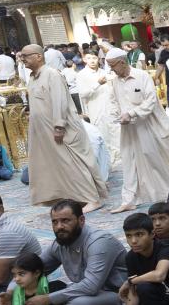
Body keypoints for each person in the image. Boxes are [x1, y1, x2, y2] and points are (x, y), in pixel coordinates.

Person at [24, 199, 128, 305]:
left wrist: (48, 299)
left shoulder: (99, 242)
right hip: (86, 292)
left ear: (81, 220)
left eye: (65, 221)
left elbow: (91, 286)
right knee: (34, 292)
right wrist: (12, 291)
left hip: (117, 294)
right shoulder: (61, 243)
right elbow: (32, 269)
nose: (59, 227)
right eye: (55, 222)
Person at [19, 45, 106, 208]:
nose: (22, 59)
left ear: (38, 56)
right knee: (56, 166)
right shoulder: (33, 78)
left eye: (26, 56)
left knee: (73, 164)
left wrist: (59, 126)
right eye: (21, 56)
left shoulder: (52, 74)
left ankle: (92, 199)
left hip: (61, 130)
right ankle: (68, 197)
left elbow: (60, 101)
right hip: (45, 132)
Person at [102, 50, 169, 211]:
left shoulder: (142, 76)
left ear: (122, 62)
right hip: (128, 128)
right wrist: (117, 115)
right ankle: (128, 200)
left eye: (113, 65)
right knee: (128, 161)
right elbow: (113, 102)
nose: (111, 69)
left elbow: (151, 101)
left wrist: (132, 113)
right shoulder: (115, 82)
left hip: (147, 126)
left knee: (154, 159)